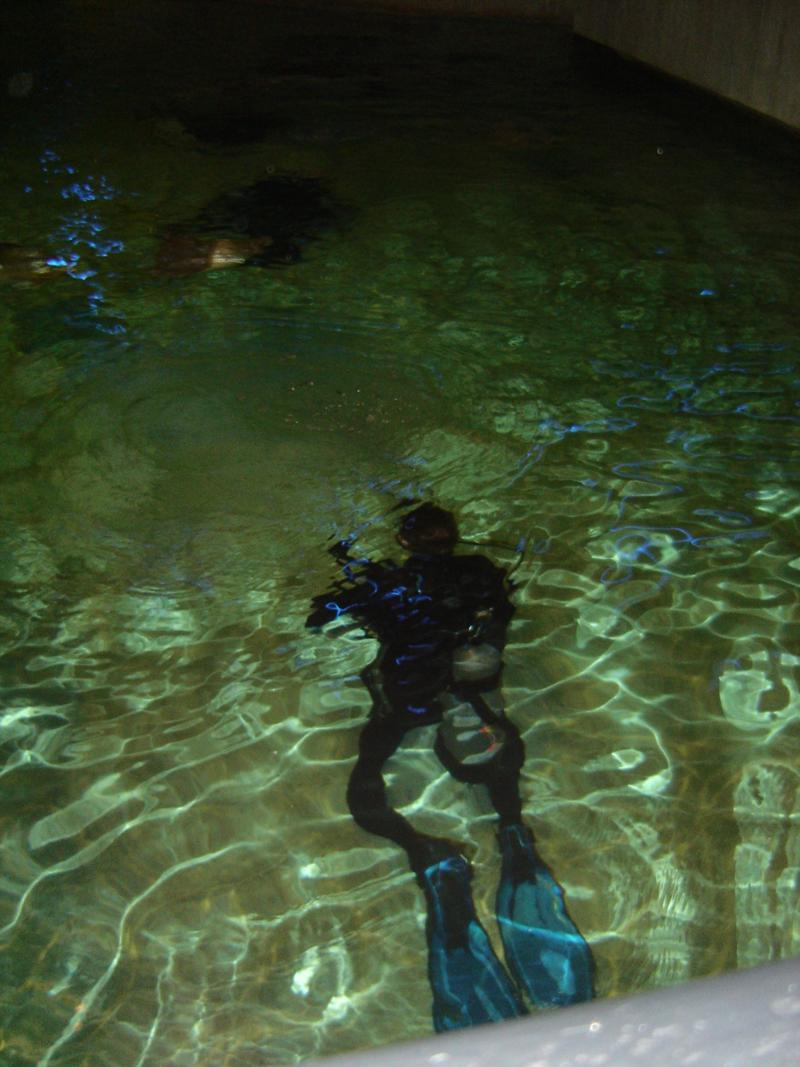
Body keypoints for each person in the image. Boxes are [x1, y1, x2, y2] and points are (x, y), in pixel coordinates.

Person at [306, 503, 594, 1032]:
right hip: (470, 690)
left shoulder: (384, 582)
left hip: (406, 697)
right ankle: (513, 832)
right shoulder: (482, 571)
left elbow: (318, 616)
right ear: (455, 537)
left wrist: (349, 586)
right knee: (493, 743)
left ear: (403, 540)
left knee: (366, 788)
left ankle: (427, 854)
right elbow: (500, 615)